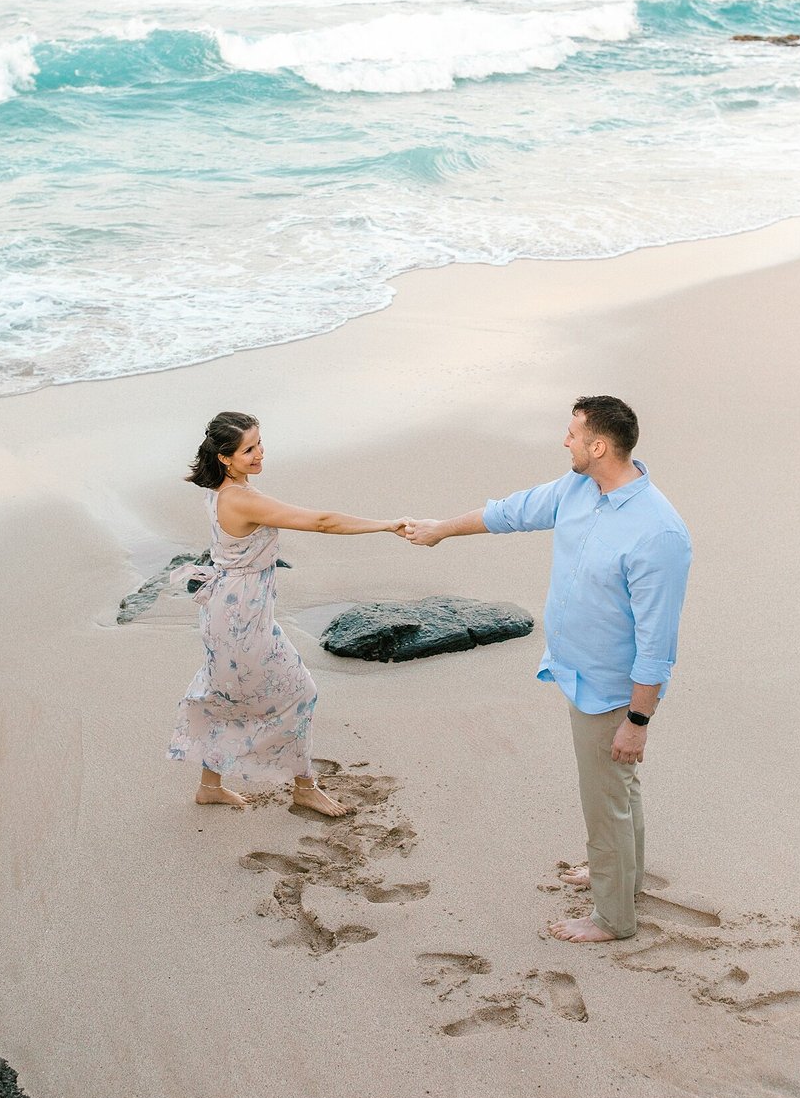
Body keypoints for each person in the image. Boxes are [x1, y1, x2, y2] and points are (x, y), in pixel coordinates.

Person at [404, 396, 691, 943]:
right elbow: (509, 512)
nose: (566, 441)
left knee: (604, 798)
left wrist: (638, 719)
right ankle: (620, 876)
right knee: (618, 789)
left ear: (599, 446)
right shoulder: (578, 489)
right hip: (576, 671)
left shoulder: (659, 534)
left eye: (573, 433)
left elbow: (658, 644)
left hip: (611, 689)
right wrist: (441, 528)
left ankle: (612, 917)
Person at [167, 411, 406, 817]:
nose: (260, 453)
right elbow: (323, 522)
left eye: (260, 442)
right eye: (249, 449)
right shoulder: (243, 499)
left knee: (225, 696)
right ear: (225, 457)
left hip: (230, 612)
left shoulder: (224, 490)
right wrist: (386, 525)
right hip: (241, 619)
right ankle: (305, 788)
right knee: (299, 692)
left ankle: (210, 786)